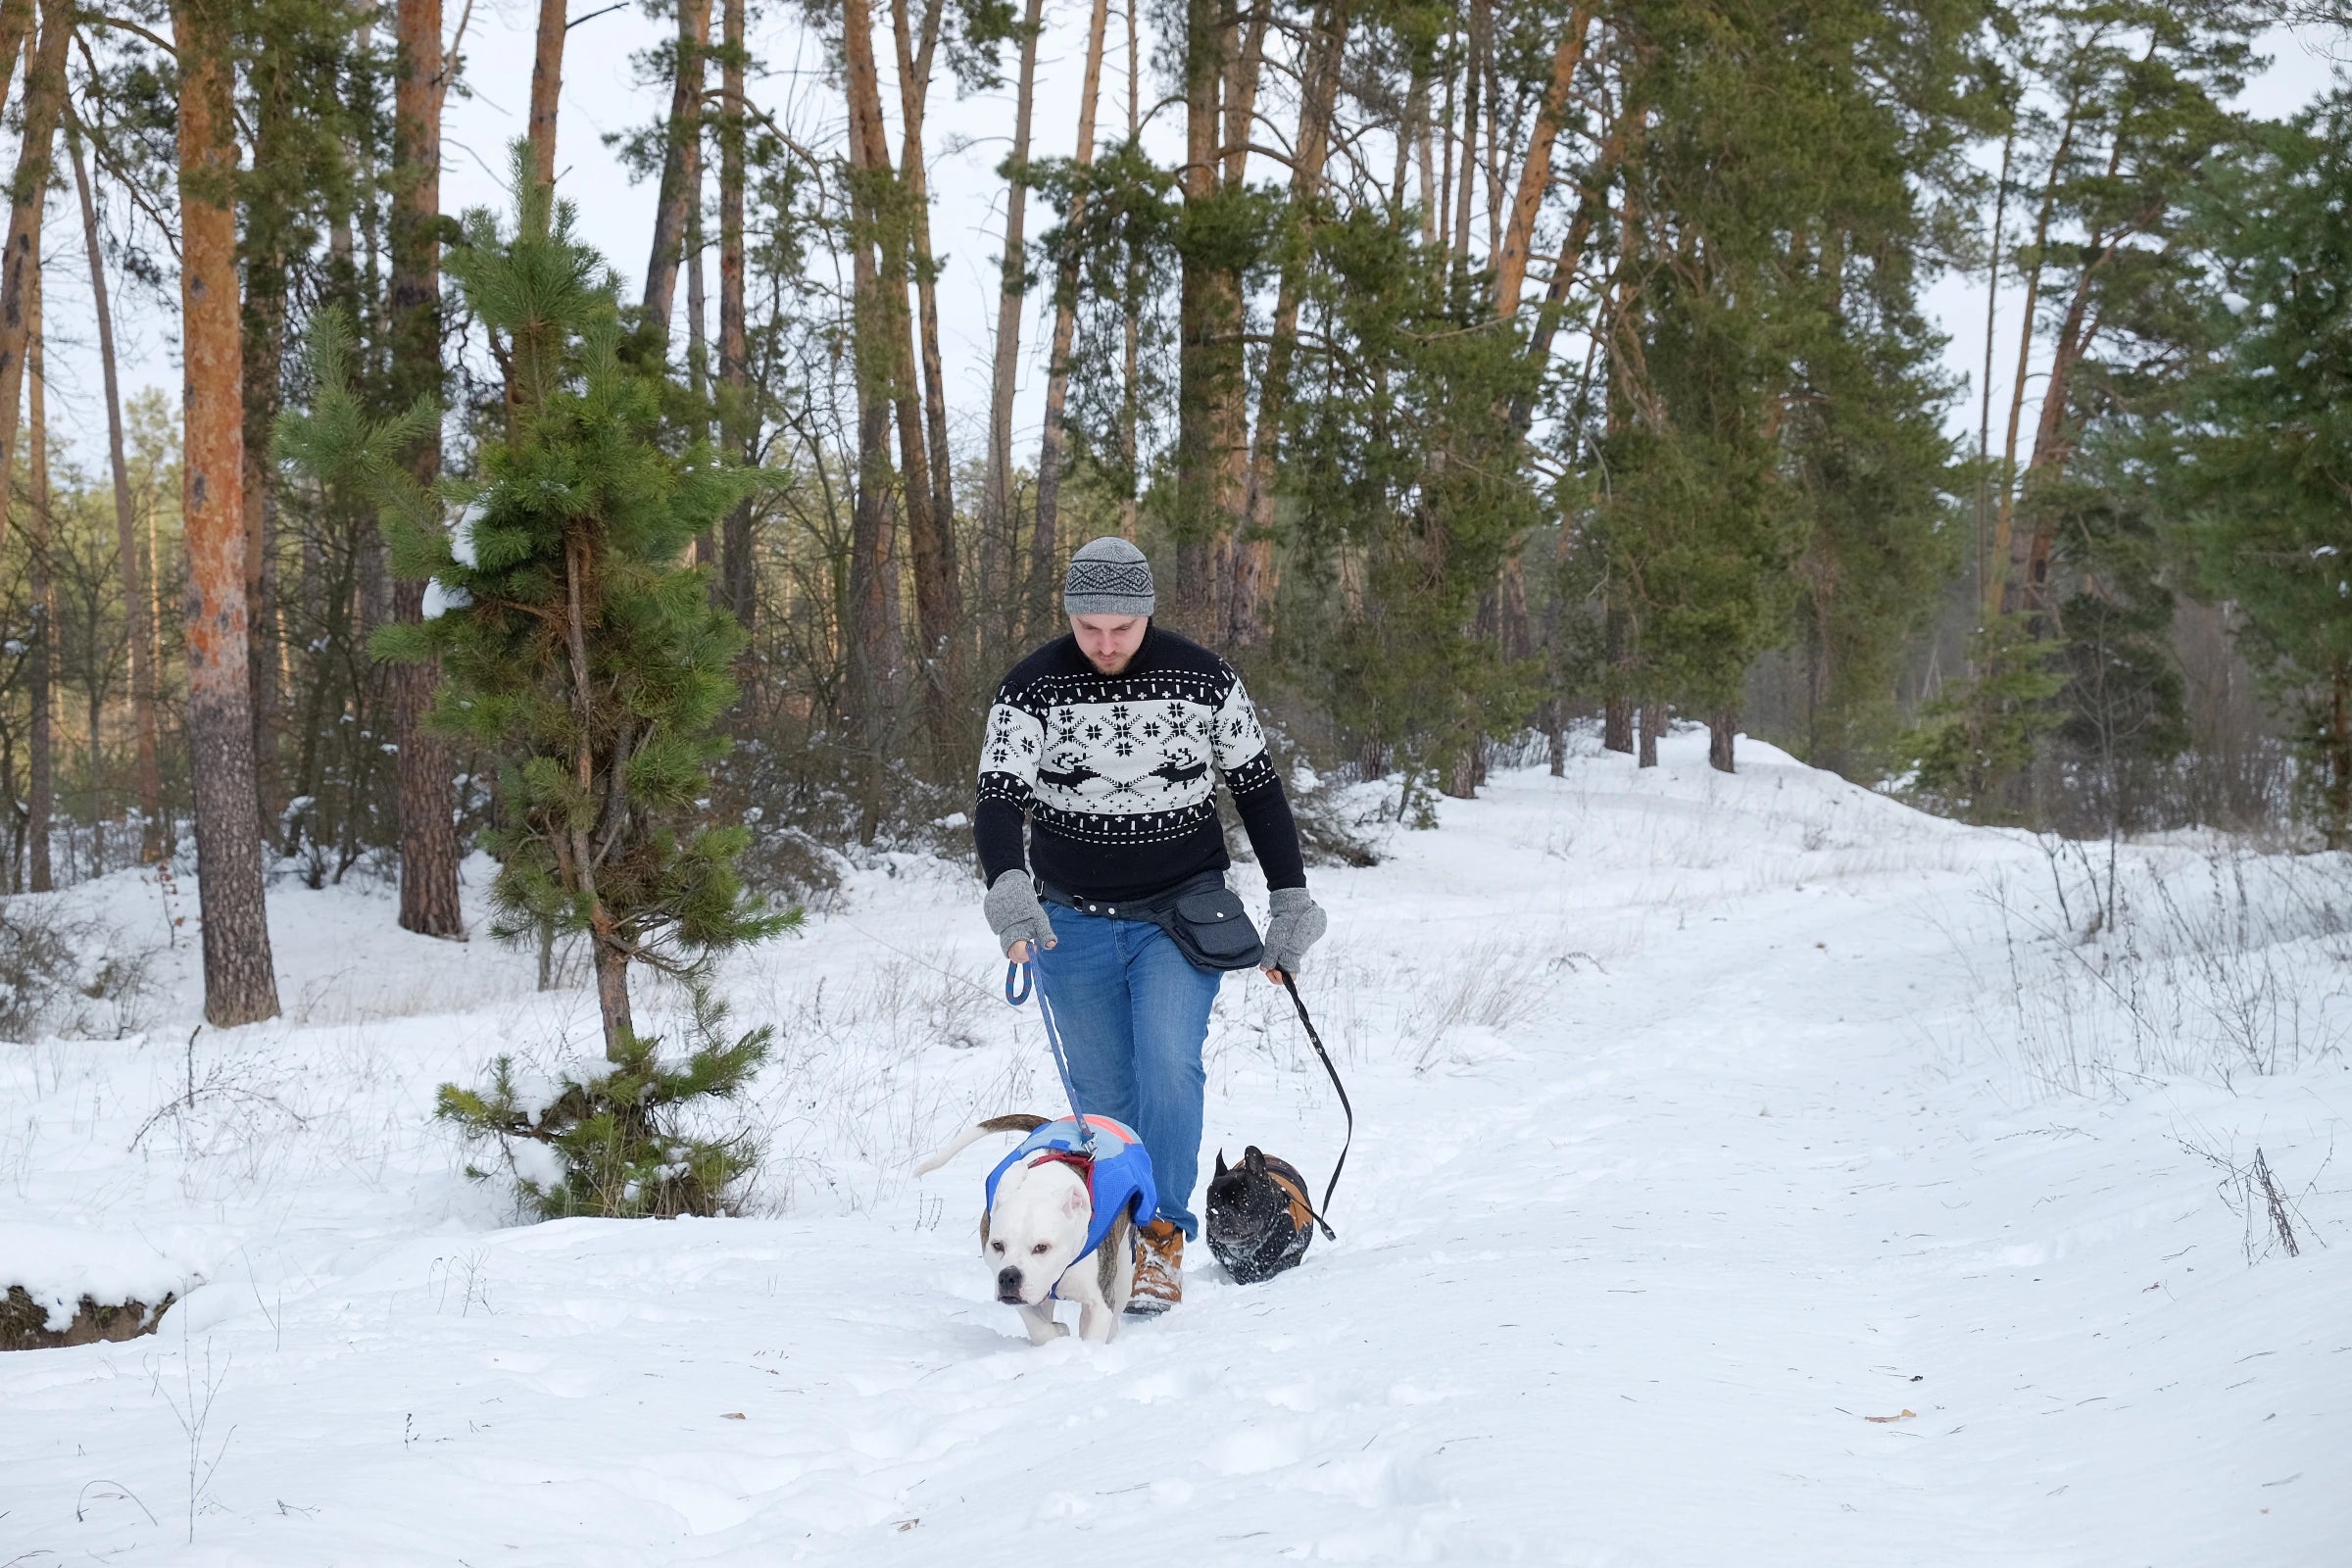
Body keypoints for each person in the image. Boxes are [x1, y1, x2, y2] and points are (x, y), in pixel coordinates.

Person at [976, 536, 1328, 1313]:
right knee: (1104, 1095)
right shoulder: (1030, 686)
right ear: (1069, 614)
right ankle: (1113, 1238)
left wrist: (1291, 898)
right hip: (1070, 919)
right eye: (1089, 627)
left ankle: (1163, 1238)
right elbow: (999, 797)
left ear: (1147, 616)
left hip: (1182, 912)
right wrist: (1009, 889)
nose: (1105, 644)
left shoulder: (1203, 678)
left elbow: (1260, 792)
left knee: (1171, 1066)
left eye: (1121, 629)